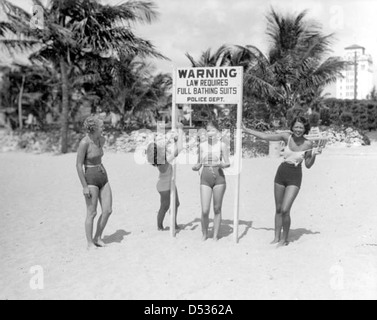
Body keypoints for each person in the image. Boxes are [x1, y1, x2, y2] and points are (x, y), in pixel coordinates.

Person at [243, 116, 324, 247]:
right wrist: (247, 130)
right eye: (296, 126)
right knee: (279, 209)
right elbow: (266, 136)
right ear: (292, 127)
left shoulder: (308, 144)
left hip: (295, 177)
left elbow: (308, 165)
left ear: (305, 129)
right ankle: (276, 237)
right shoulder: (287, 137)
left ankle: (284, 239)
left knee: (286, 209)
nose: (298, 129)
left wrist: (314, 155)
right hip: (281, 174)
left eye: (301, 127)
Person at [76, 115, 113, 250]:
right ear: (94, 128)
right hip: (90, 178)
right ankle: (89, 243)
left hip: (103, 175)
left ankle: (98, 237)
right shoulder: (84, 143)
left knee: (108, 210)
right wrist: (84, 186)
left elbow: (100, 153)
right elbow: (78, 165)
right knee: (92, 213)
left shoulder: (101, 140)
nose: (103, 128)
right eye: (101, 126)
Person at [193, 121, 230, 241]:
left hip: (219, 177)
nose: (210, 133)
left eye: (213, 130)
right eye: (208, 130)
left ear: (218, 132)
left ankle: (215, 235)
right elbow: (198, 162)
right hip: (205, 177)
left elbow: (227, 162)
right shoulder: (202, 146)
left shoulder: (222, 145)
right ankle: (204, 234)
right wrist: (196, 167)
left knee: (217, 208)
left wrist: (222, 164)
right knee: (204, 210)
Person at [146, 123, 184, 231]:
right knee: (165, 206)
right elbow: (179, 149)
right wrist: (180, 130)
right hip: (164, 186)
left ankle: (174, 223)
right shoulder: (164, 161)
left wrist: (174, 141)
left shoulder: (162, 159)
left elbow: (170, 148)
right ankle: (159, 226)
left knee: (176, 204)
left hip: (169, 183)